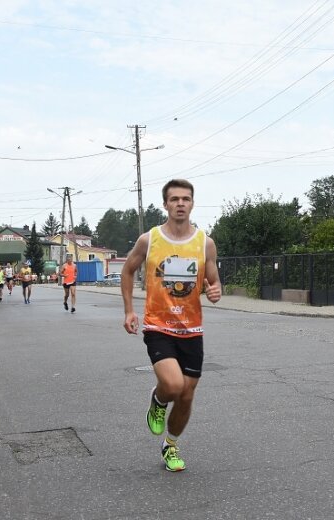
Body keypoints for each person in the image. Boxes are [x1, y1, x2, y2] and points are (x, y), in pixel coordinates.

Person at [121, 179, 222, 472]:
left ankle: (171, 445)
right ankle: (158, 399)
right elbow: (127, 271)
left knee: (188, 394)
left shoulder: (206, 243)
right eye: (174, 199)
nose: (180, 203)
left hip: (192, 329)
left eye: (186, 199)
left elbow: (213, 282)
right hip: (158, 326)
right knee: (174, 385)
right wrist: (129, 311)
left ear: (192, 204)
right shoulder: (149, 240)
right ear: (165, 204)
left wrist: (216, 291)